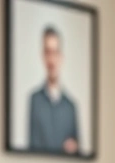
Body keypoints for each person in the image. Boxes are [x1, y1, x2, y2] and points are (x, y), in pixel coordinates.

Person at [28, 25, 79, 155]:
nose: (52, 60)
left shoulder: (71, 107)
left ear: (61, 56)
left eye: (55, 52)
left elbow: (77, 151)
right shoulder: (35, 100)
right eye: (48, 52)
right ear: (43, 56)